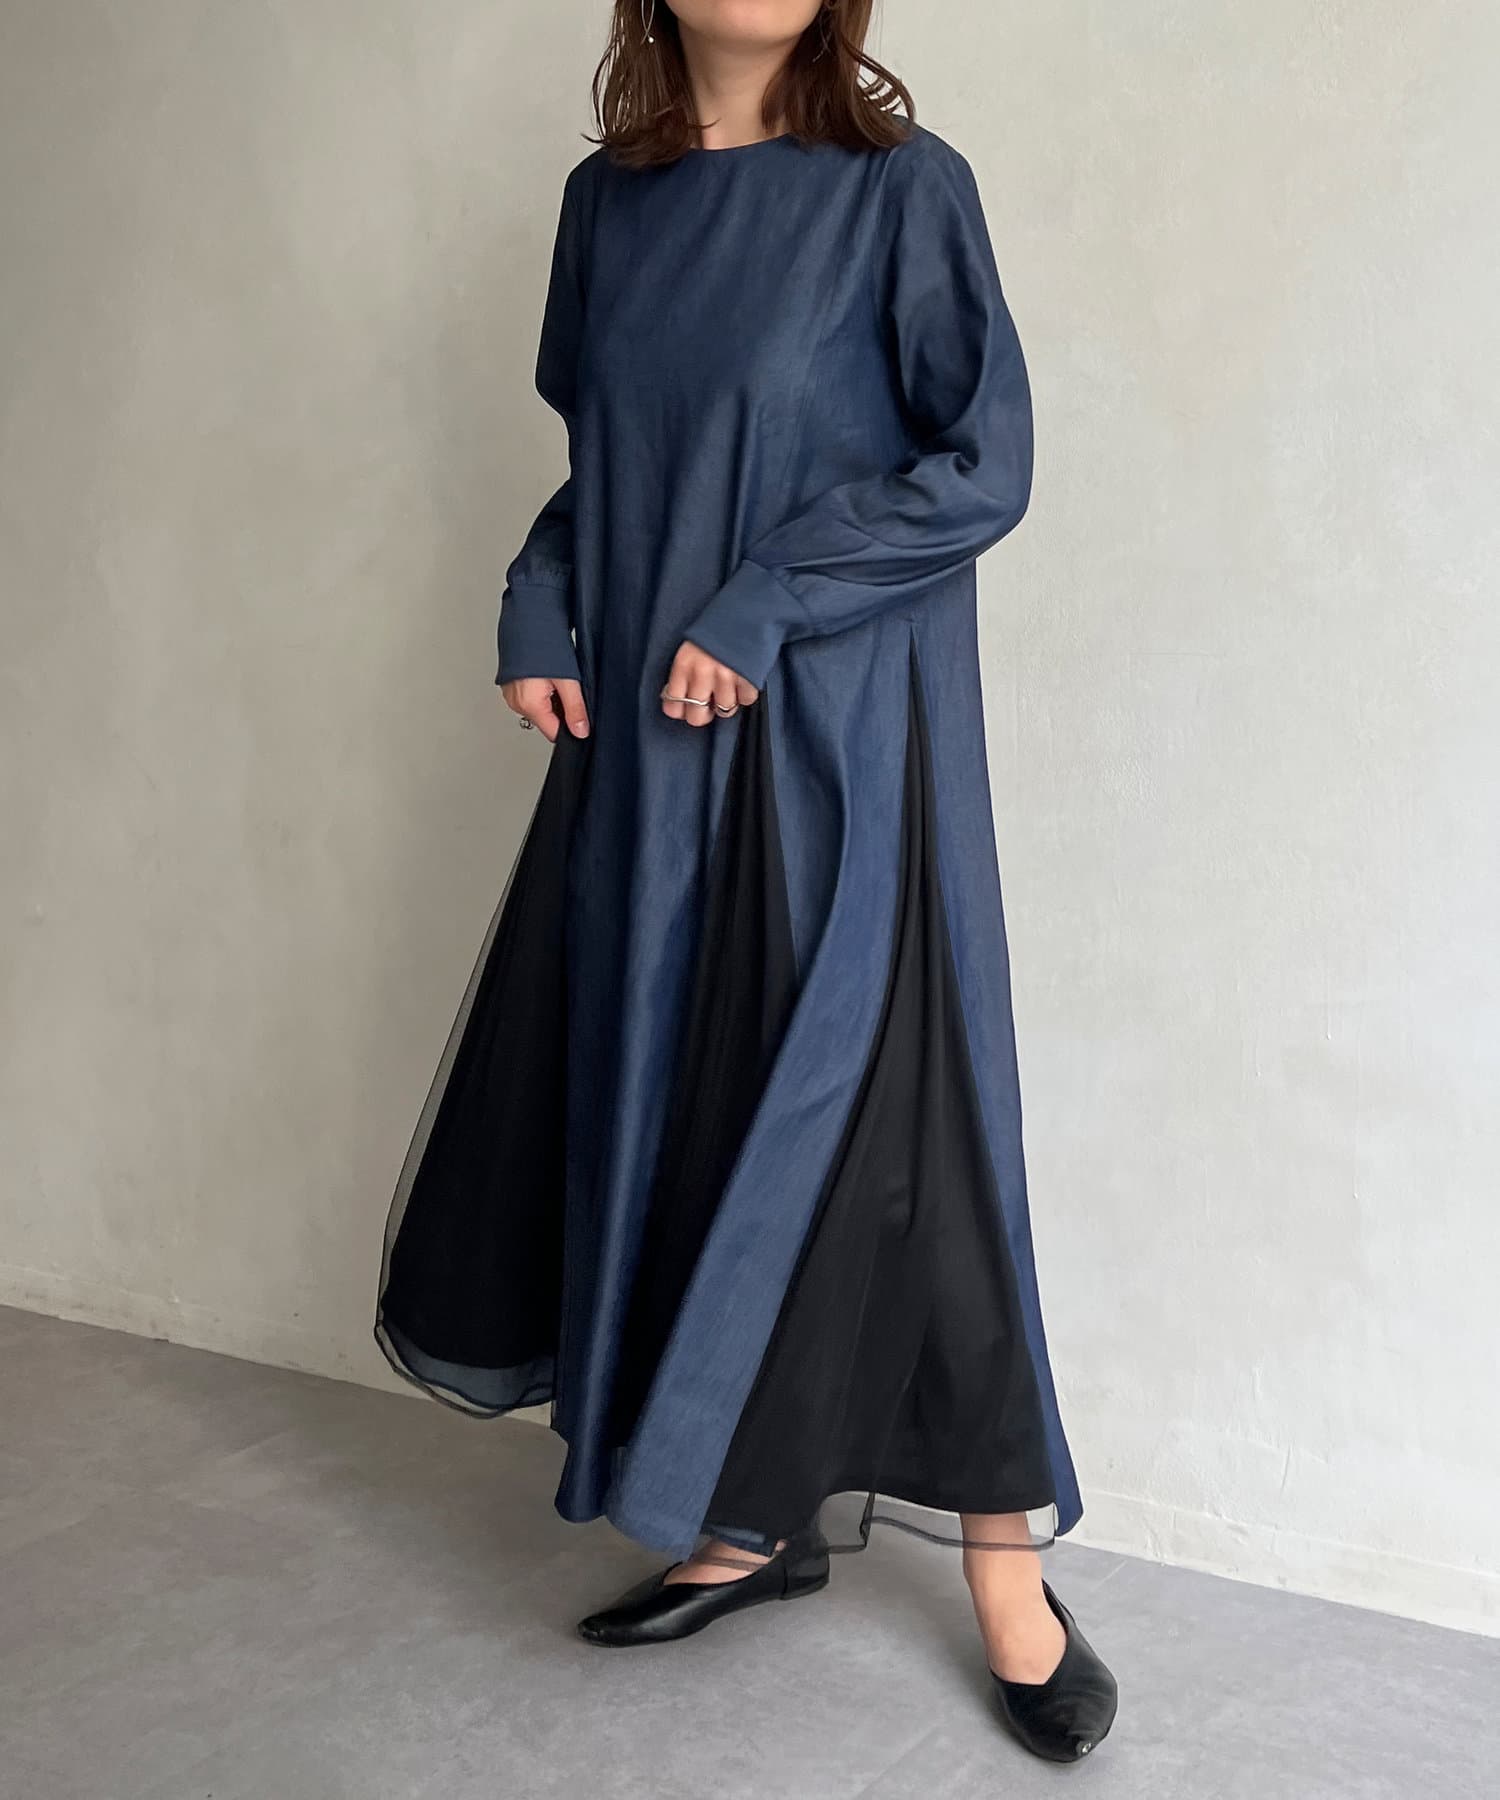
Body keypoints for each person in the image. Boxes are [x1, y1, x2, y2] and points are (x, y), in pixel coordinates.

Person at [376, 0, 1118, 1764]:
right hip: (654, 738)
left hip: (842, 737)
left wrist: (770, 599)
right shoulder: (608, 207)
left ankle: (1008, 1572)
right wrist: (537, 601)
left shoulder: (901, 190)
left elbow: (982, 461)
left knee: (900, 1132)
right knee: (690, 1097)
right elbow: (610, 467)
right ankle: (745, 1516)